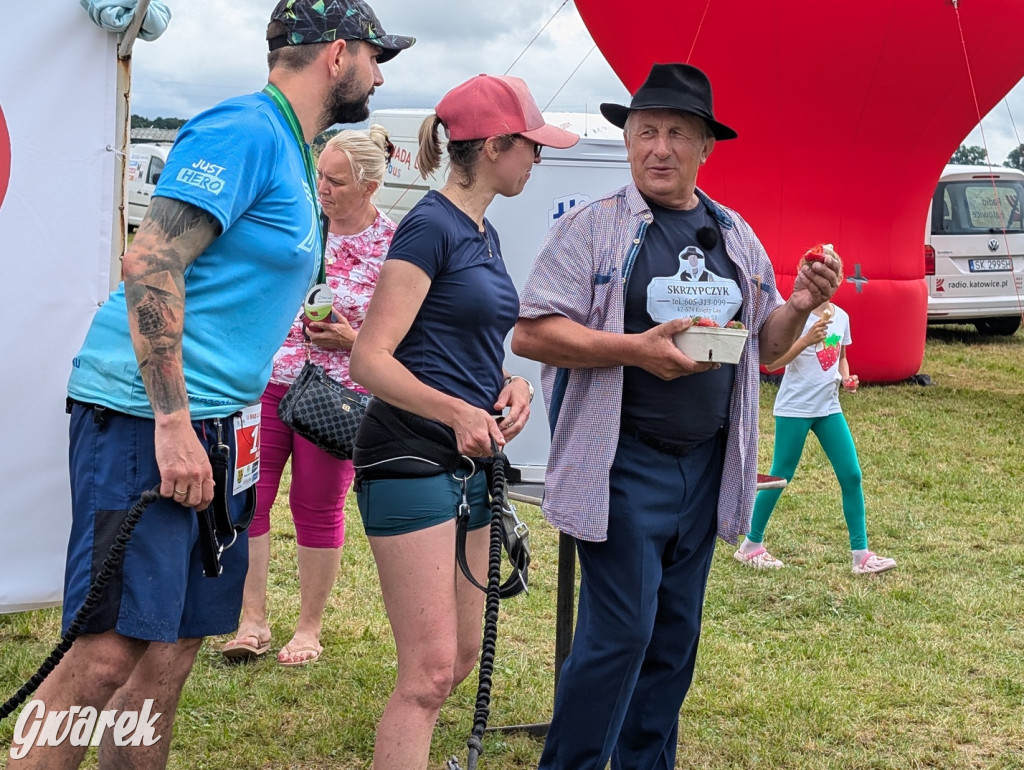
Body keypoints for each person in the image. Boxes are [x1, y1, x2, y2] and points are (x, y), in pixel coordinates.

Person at [8, 1, 412, 767]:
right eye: (373, 54)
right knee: (102, 658)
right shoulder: (244, 130)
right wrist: (172, 425)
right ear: (335, 55)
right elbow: (151, 261)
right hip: (147, 419)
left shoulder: (294, 147)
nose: (379, 71)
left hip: (223, 424)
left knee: (168, 657)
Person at [511, 62, 842, 770]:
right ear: (628, 141)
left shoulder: (734, 235)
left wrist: (804, 303)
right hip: (622, 462)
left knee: (673, 637)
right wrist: (634, 350)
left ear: (705, 148)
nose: (659, 148)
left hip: (707, 463)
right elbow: (532, 332)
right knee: (621, 633)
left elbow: (767, 344)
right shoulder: (594, 229)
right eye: (646, 132)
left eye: (677, 135)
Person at [348, 74, 578, 770]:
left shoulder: (483, 228)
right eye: (531, 147)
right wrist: (453, 410)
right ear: (497, 146)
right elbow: (369, 359)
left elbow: (464, 342)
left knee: (459, 661)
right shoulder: (430, 225)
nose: (537, 160)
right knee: (427, 674)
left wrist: (509, 384)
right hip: (411, 457)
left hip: (472, 462)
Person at [221, 126, 397, 667]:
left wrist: (351, 339)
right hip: (270, 382)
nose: (322, 188)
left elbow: (405, 331)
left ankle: (308, 629)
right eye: (319, 175)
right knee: (249, 499)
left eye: (336, 181)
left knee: (316, 507)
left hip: (337, 396)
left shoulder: (394, 245)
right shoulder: (296, 227)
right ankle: (250, 621)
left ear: (369, 186)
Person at [734, 245, 896, 574]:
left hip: (828, 408)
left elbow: (840, 358)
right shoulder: (793, 318)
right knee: (780, 476)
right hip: (794, 408)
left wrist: (847, 377)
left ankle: (861, 555)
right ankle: (750, 545)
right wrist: (805, 340)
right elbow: (773, 363)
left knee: (851, 475)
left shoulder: (842, 317)